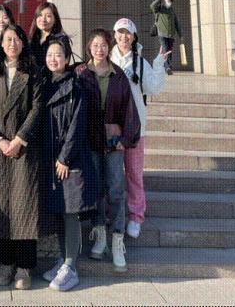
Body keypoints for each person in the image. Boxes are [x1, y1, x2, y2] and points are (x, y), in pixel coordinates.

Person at [0, 23, 43, 291]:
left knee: (25, 208)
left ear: (23, 43)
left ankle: (24, 267)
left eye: (16, 39)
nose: (12, 44)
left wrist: (19, 139)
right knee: (1, 209)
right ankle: (6, 263)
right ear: (1, 43)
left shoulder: (33, 73)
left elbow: (37, 107)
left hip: (24, 151)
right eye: (7, 39)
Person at [75, 28, 140, 271]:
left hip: (113, 141)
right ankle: (99, 234)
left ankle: (117, 240)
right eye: (95, 45)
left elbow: (129, 108)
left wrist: (126, 138)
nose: (99, 49)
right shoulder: (81, 73)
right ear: (89, 48)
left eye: (103, 45)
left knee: (115, 190)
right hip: (90, 139)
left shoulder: (118, 74)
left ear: (108, 47)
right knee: (95, 189)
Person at [40, 36, 99, 292]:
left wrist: (65, 157)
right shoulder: (44, 84)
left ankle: (71, 266)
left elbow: (76, 126)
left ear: (67, 59)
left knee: (71, 212)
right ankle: (63, 259)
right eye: (50, 54)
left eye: (58, 55)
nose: (53, 59)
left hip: (70, 161)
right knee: (60, 211)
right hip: (51, 159)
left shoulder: (75, 87)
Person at [110, 18, 168, 238]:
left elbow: (153, 88)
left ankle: (136, 216)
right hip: (111, 128)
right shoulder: (106, 59)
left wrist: (159, 65)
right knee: (111, 174)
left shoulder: (140, 63)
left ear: (134, 37)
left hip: (134, 128)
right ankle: (109, 214)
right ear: (114, 35)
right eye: (120, 32)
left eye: (128, 33)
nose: (124, 37)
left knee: (134, 174)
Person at [150, 0, 182, 74]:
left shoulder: (172, 12)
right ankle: (167, 67)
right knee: (165, 49)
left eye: (170, 2)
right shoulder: (159, 9)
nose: (168, 3)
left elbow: (177, 24)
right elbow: (152, 6)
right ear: (164, 2)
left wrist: (180, 35)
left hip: (171, 35)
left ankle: (168, 66)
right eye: (167, 1)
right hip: (162, 33)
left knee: (169, 51)